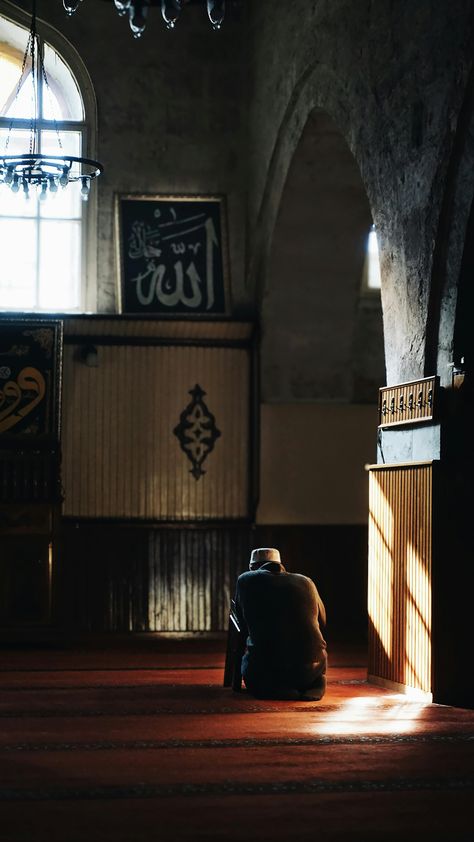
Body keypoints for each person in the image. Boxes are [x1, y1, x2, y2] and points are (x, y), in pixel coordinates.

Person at [233, 547, 327, 700]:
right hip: (313, 667)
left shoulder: (245, 579)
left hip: (270, 670)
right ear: (280, 564)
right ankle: (315, 683)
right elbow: (322, 621)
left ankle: (278, 688)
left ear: (252, 567)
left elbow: (241, 625)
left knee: (248, 664)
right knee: (311, 662)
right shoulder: (306, 581)